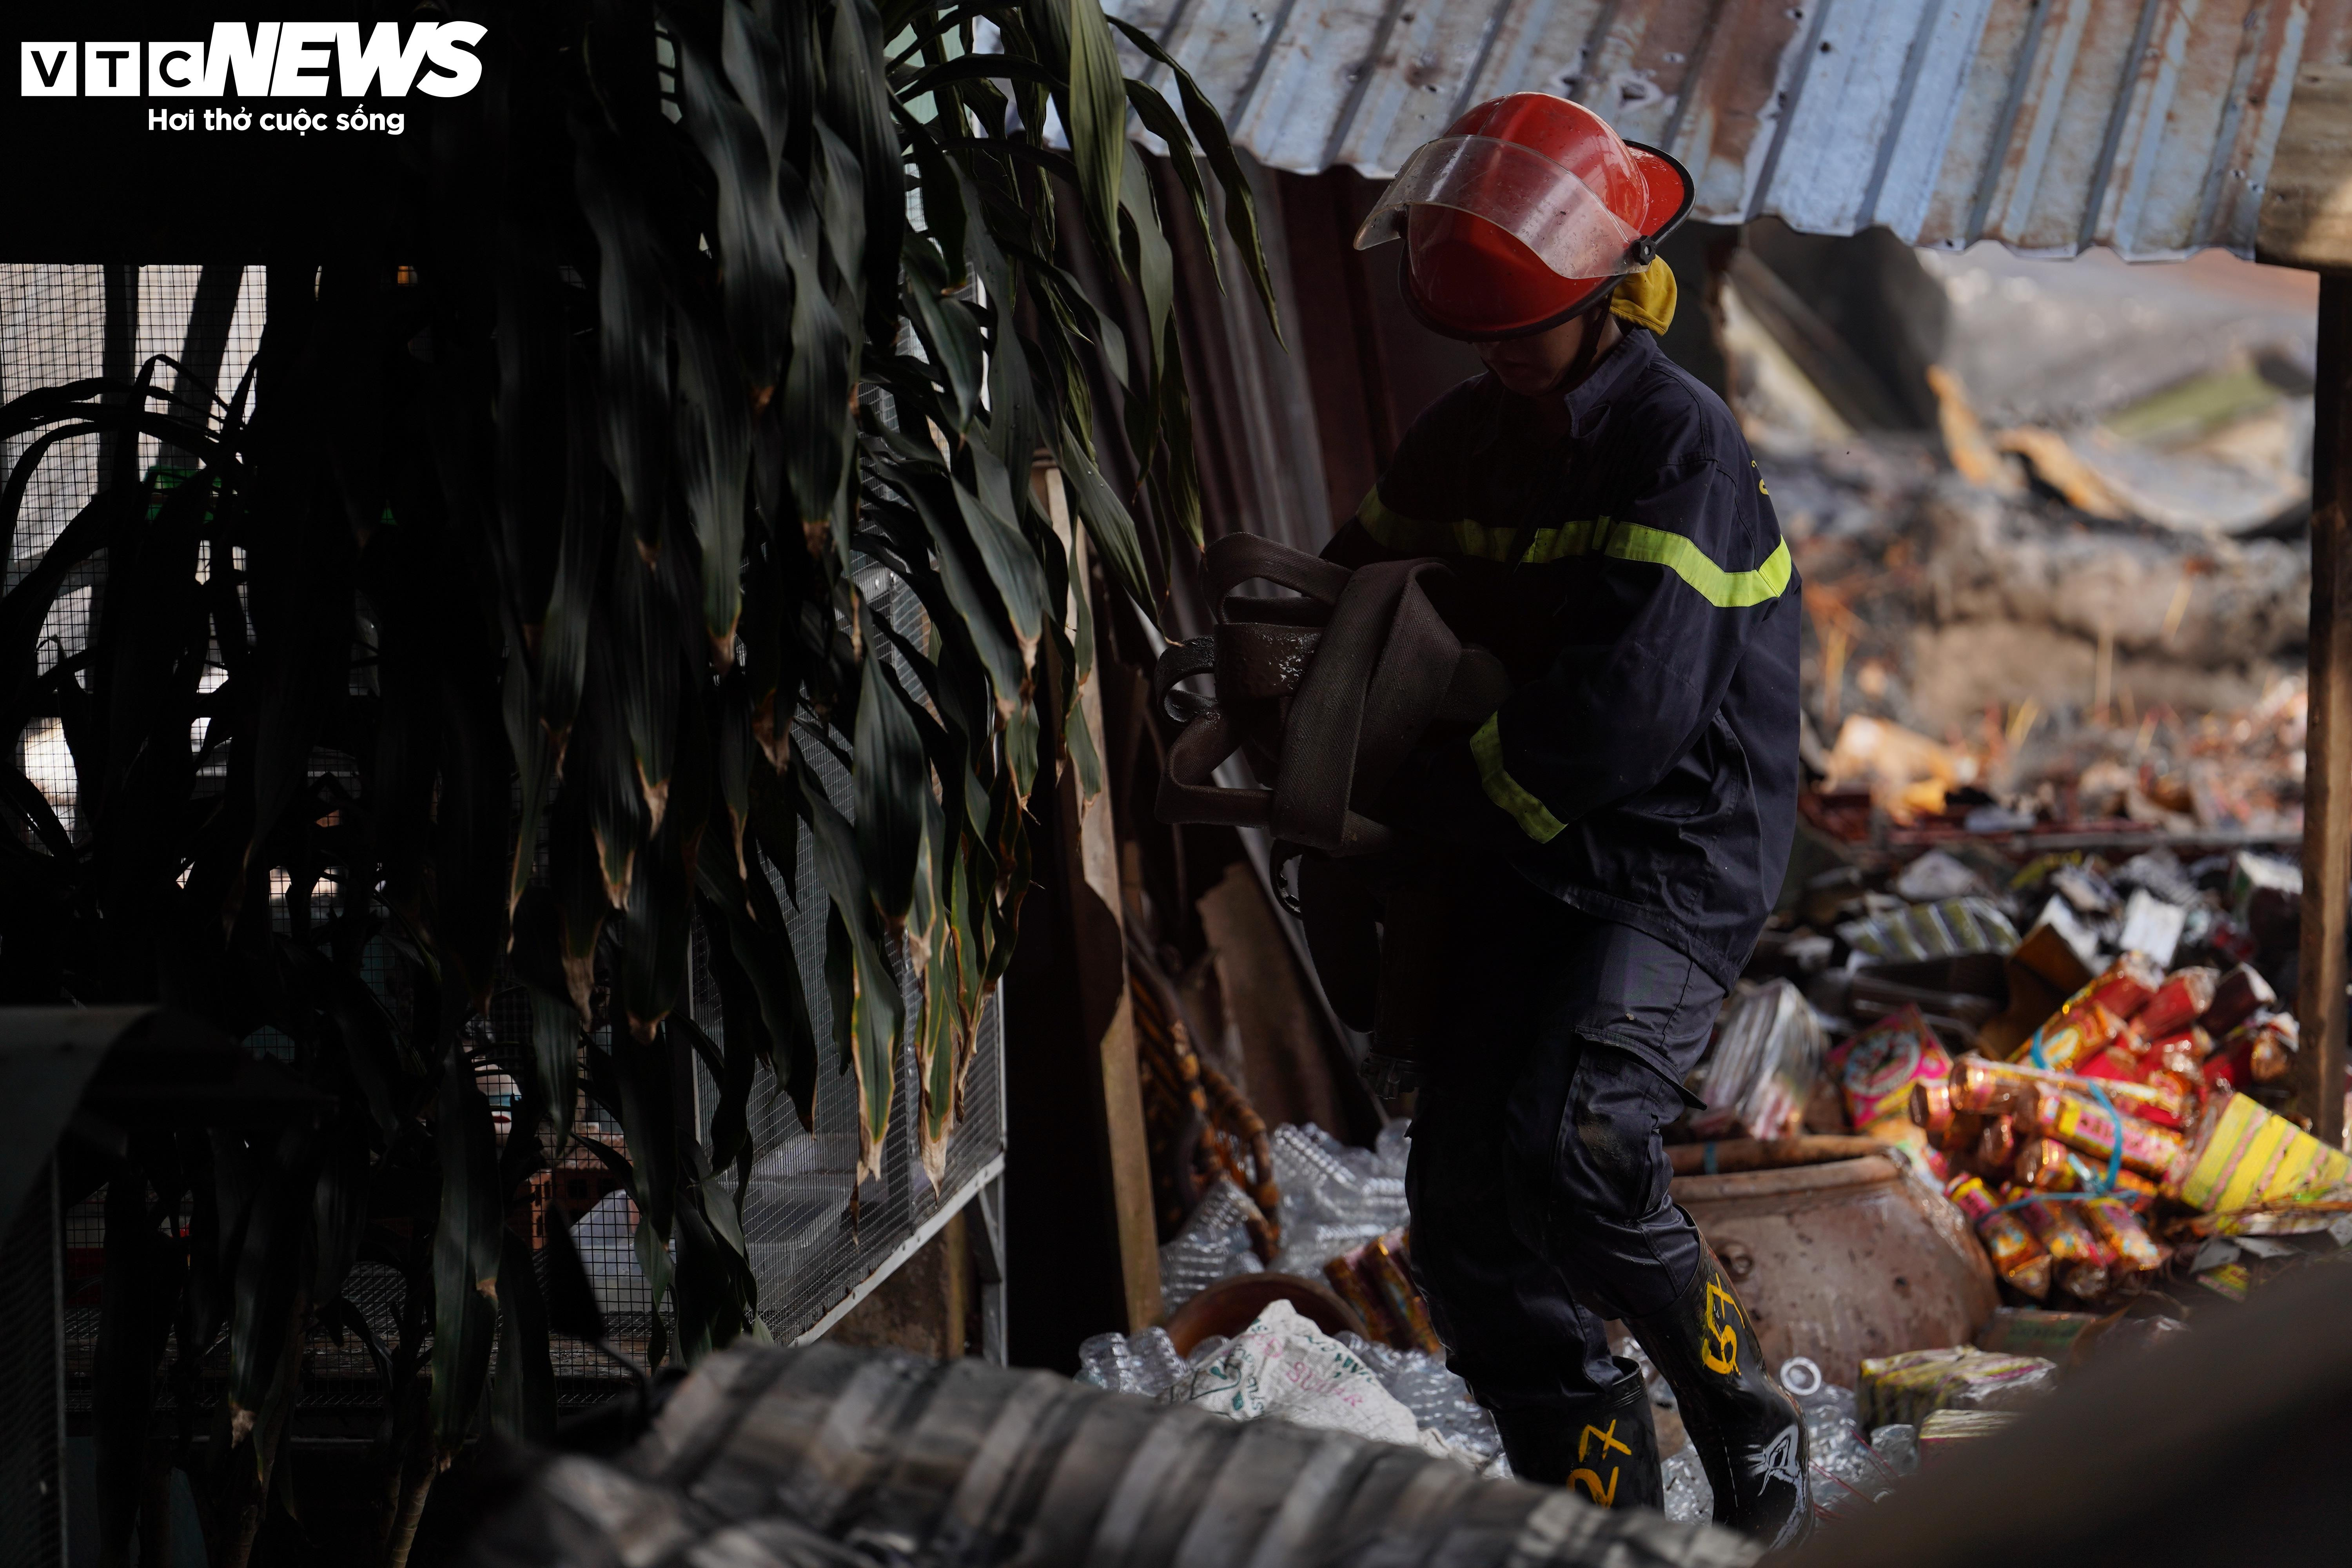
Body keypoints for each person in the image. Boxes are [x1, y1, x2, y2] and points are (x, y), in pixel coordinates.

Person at [1334, 93, 1811, 1545]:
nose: (1494, 360)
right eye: (1475, 336)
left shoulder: (1682, 445)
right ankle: (1607, 1522)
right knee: (1470, 1227)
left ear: (1613, 298)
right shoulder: (1460, 443)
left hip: (1665, 846)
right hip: (1514, 847)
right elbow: (1349, 599)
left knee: (1581, 1148)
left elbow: (1628, 714)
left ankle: (1748, 1417)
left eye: (1520, 331)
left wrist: (1425, 798)